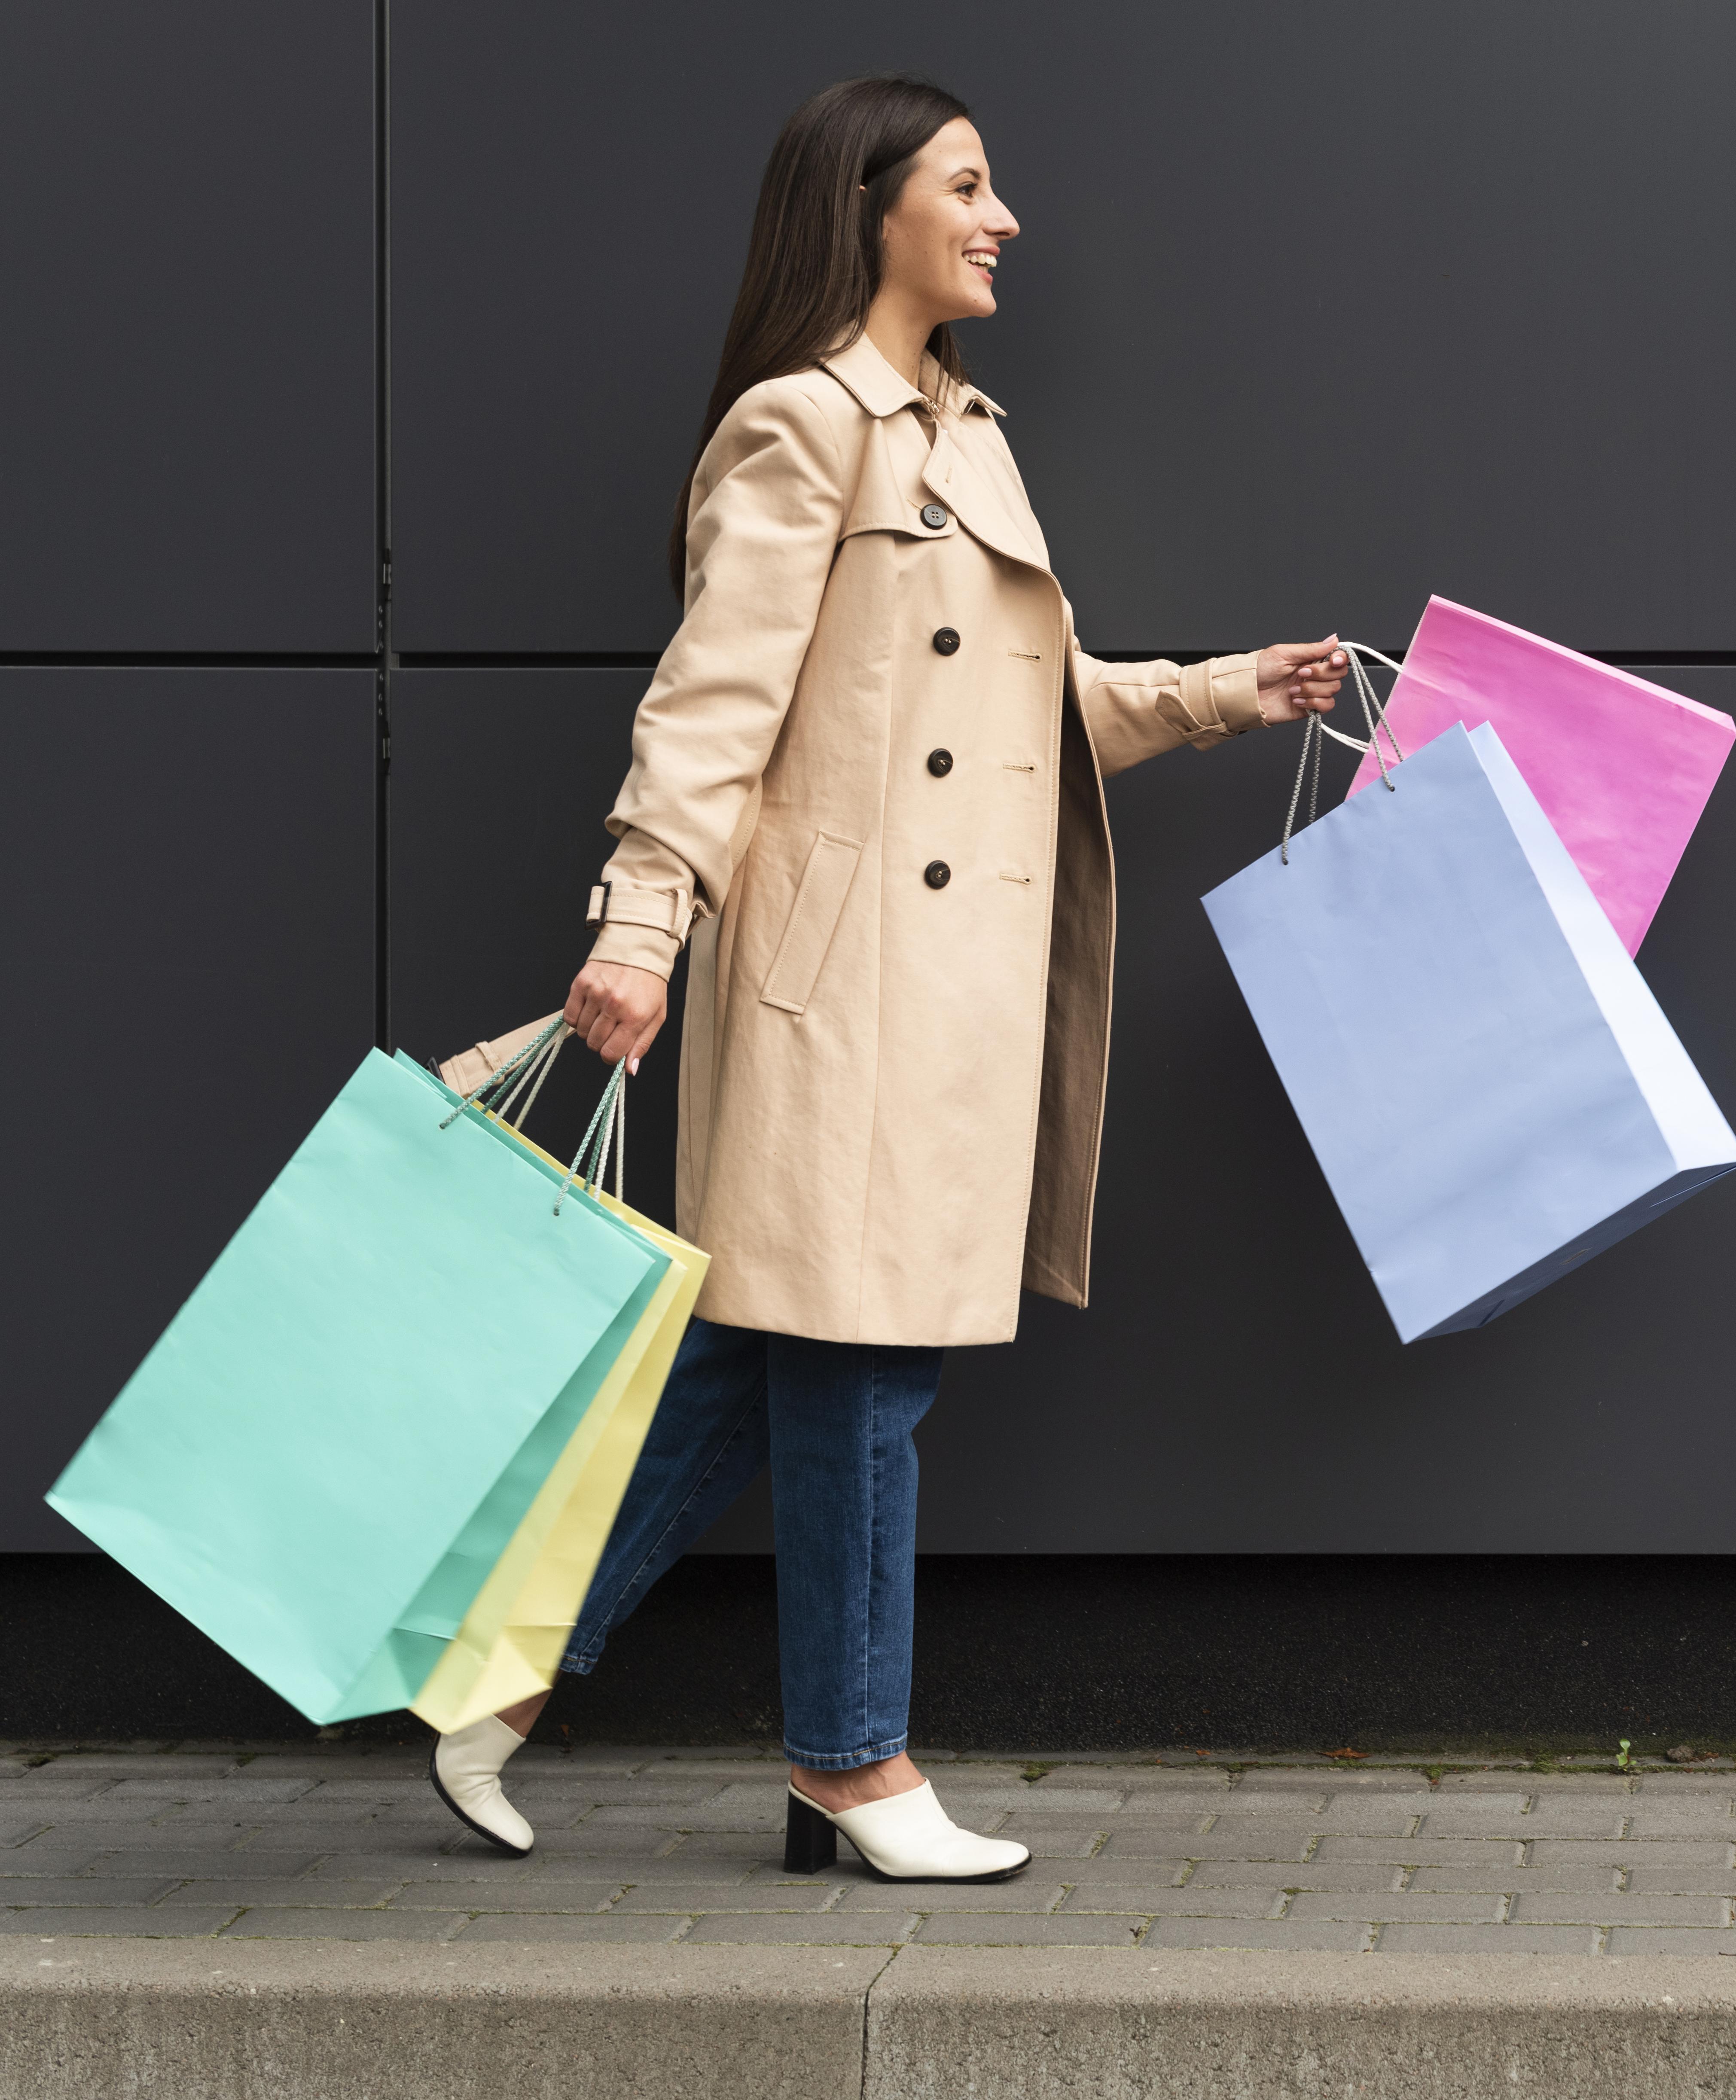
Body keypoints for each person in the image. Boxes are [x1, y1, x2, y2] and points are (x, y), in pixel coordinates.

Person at [427, 75, 1346, 1882]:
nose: (1005, 220)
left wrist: (1230, 690)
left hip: (946, 987)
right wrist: (641, 917)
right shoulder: (800, 429)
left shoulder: (971, 439)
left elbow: (1019, 711)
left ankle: (496, 1674)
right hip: (837, 987)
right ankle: (853, 1764)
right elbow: (715, 699)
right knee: (865, 1375)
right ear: (870, 209)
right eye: (970, 186)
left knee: (763, 1371)